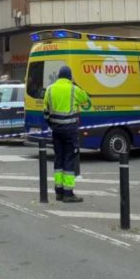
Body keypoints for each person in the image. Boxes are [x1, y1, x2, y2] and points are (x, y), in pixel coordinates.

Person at [43, 66, 91, 203]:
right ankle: (68, 193)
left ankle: (58, 192)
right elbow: (88, 102)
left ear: (58, 76)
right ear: (70, 77)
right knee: (69, 160)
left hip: (56, 131)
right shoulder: (74, 90)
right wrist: (76, 85)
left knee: (59, 159)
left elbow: (45, 113)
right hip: (70, 132)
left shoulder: (50, 89)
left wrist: (53, 125)